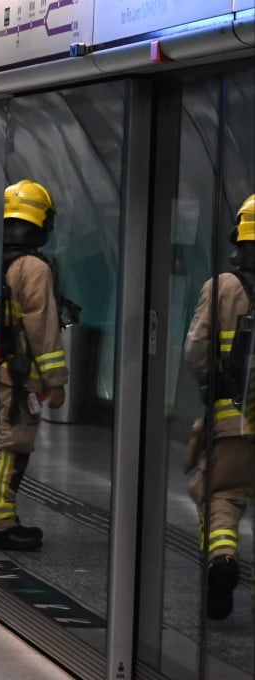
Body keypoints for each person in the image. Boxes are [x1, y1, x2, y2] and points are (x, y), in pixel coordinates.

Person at [183, 193, 255, 620]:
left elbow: (195, 350)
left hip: (231, 420)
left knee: (221, 495)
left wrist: (212, 383)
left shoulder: (222, 287)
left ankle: (222, 559)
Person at [0, 179, 67, 552]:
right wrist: (55, 380)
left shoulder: (2, 259)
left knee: (13, 442)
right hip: (25, 376)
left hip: (8, 367)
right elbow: (43, 327)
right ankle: (1, 522)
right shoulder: (34, 267)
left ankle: (4, 516)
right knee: (15, 445)